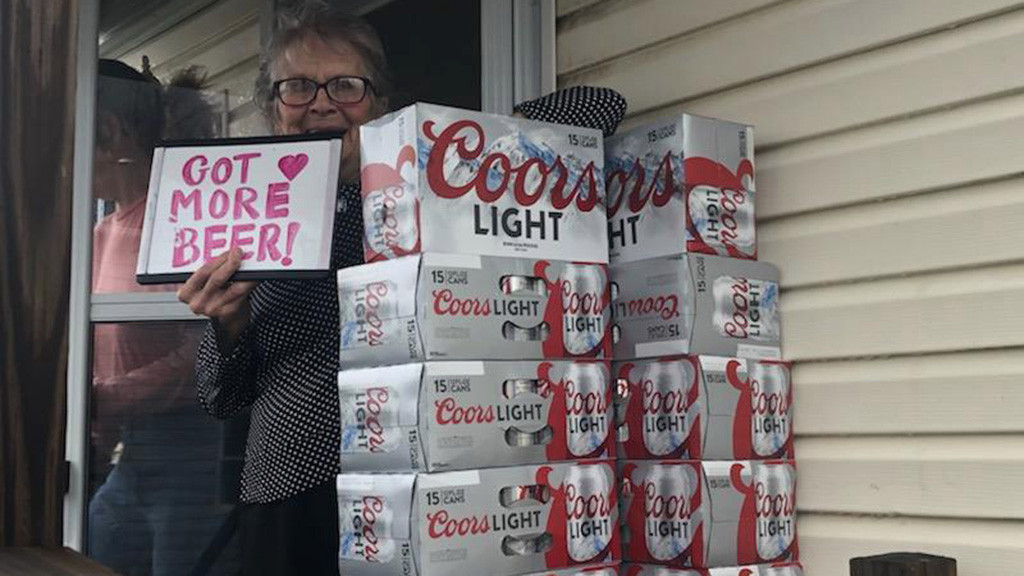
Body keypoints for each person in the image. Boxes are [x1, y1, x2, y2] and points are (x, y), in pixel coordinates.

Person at [177, 4, 392, 575]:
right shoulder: (250, 224)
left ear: (378, 106)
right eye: (297, 87)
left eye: (346, 85)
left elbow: (595, 106)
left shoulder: (426, 196)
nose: (322, 102)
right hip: (291, 488)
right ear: (276, 113)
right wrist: (226, 324)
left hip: (415, 480)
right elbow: (219, 398)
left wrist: (479, 139)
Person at [88, 59, 240, 575]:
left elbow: (203, 344)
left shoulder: (179, 222)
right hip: (128, 455)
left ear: (109, 131)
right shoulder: (100, 231)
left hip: (189, 457)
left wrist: (110, 396)